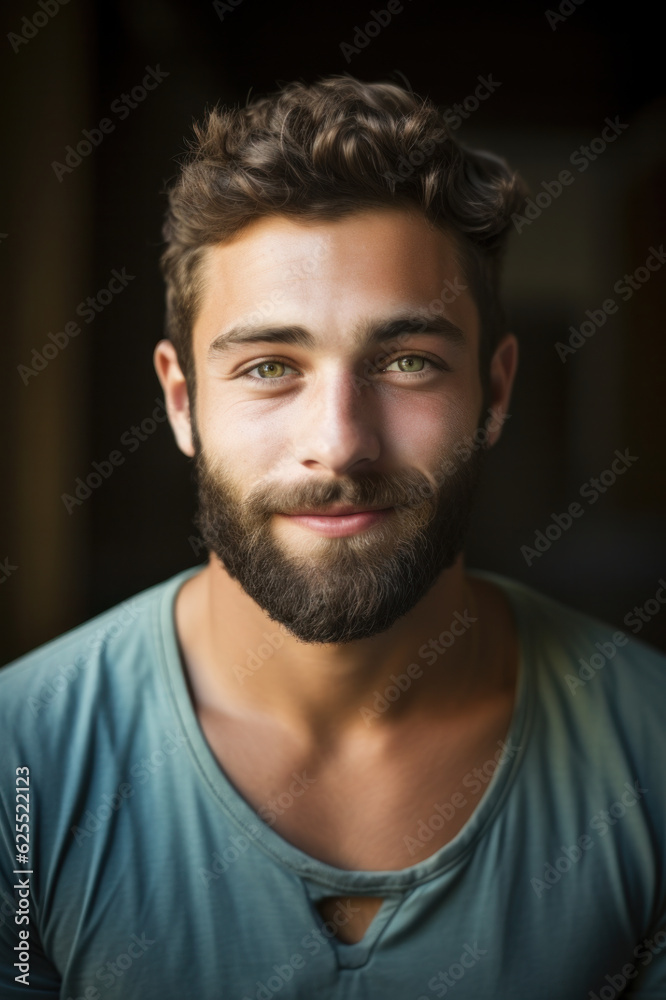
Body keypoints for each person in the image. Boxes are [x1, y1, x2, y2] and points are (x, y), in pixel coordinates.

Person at [1, 74, 664, 1000]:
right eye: (271, 366)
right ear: (182, 400)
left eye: (407, 362)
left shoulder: (652, 752)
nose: (340, 443)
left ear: (497, 391)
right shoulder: (18, 766)